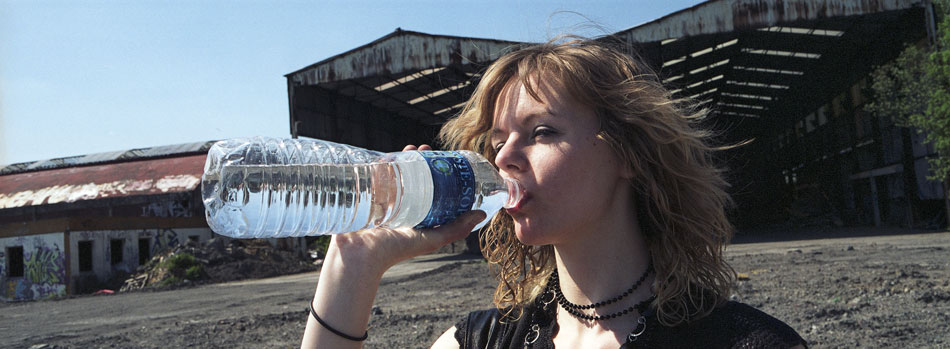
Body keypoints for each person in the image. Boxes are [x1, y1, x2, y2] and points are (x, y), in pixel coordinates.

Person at [301, 38, 807, 348]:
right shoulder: (483, 341)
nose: (502, 159)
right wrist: (353, 265)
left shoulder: (744, 343)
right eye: (498, 142)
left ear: (629, 154)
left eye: (542, 132)